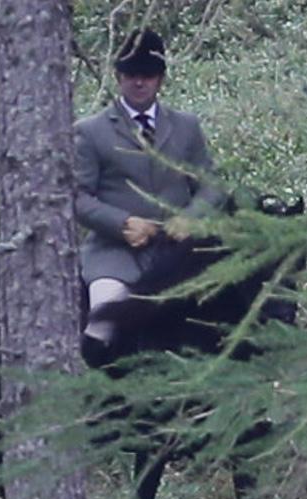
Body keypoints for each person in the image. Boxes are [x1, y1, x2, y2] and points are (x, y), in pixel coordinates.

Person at [73, 28, 225, 367]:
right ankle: (88, 395)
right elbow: (78, 198)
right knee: (102, 326)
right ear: (118, 77)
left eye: (148, 75)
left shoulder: (186, 126)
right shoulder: (91, 130)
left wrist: (191, 216)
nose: (139, 83)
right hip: (116, 255)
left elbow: (211, 184)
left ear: (160, 79)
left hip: (178, 254)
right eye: (131, 75)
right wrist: (122, 223)